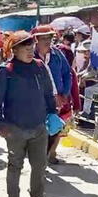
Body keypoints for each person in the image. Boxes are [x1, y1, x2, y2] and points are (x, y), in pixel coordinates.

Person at [0, 31, 56, 197]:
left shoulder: (39, 67)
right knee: (15, 167)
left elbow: (47, 92)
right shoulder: (7, 71)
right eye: (25, 48)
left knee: (39, 166)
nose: (30, 51)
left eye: (31, 48)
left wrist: (52, 114)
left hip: (38, 128)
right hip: (15, 129)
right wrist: (0, 123)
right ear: (14, 50)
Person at [32, 25, 71, 164]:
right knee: (38, 131)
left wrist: (64, 94)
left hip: (56, 100)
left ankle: (47, 155)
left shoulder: (58, 55)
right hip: (35, 101)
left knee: (54, 128)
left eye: (49, 37)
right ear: (36, 40)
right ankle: (38, 157)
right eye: (43, 38)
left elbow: (67, 73)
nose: (47, 41)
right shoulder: (29, 55)